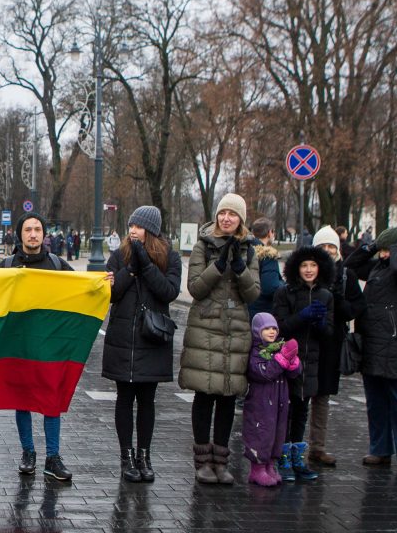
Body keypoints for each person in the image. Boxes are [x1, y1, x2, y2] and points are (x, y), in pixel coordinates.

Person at [179, 193, 260, 485]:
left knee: (228, 395)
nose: (227, 219)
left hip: (235, 330)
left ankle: (221, 462)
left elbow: (253, 294)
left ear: (241, 219)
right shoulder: (203, 245)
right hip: (206, 327)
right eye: (223, 213)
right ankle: (202, 462)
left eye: (233, 214)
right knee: (205, 394)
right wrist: (219, 264)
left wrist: (239, 268)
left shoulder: (250, 250)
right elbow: (196, 288)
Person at [103, 206, 181, 483]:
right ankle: (126, 456)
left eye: (139, 226)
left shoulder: (169, 258)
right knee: (124, 398)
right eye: (131, 225)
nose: (133, 230)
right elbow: (110, 293)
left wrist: (146, 265)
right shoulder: (118, 255)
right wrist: (131, 268)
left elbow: (169, 292)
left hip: (153, 338)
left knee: (147, 400)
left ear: (151, 230)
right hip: (123, 339)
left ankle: (144, 455)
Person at [0, 213, 74, 480]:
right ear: (20, 234)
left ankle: (52, 457)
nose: (33, 234)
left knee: (51, 401)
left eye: (38, 229)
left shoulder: (57, 264)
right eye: (28, 229)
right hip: (18, 348)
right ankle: (28, 452)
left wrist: (101, 284)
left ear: (44, 234)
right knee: (23, 402)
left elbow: (80, 293)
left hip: (50, 347)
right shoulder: (6, 266)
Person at [345, 227, 397, 474]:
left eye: (385, 250)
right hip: (374, 342)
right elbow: (350, 265)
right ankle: (380, 449)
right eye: (379, 250)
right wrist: (371, 245)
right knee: (376, 401)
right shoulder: (379, 266)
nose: (381, 255)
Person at [272, 245, 334, 481]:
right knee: (285, 411)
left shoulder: (326, 296)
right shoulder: (285, 292)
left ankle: (298, 458)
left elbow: (329, 332)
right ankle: (283, 456)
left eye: (313, 265)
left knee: (301, 410)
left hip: (312, 363)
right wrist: (303, 316)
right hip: (288, 362)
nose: (309, 270)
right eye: (304, 265)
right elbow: (279, 328)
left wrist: (319, 324)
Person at [309, 226, 365, 466]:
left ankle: (317, 447)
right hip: (306, 340)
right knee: (298, 395)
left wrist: (338, 300)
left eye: (332, 246)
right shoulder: (307, 270)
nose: (328, 251)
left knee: (322, 395)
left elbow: (356, 308)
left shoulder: (346, 276)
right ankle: (289, 445)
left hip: (332, 343)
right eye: (323, 246)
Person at [242, 314, 301, 486]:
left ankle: (270, 465)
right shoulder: (256, 352)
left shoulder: (278, 348)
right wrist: (282, 359)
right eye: (267, 328)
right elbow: (265, 372)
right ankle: (257, 468)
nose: (271, 331)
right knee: (261, 433)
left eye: (274, 328)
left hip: (279, 402)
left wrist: (293, 361)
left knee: (277, 432)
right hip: (261, 403)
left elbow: (294, 373)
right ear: (257, 331)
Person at [248, 218, 283, 317]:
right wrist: (284, 285)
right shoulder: (268, 255)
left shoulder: (244, 251)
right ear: (269, 233)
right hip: (262, 312)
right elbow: (270, 288)